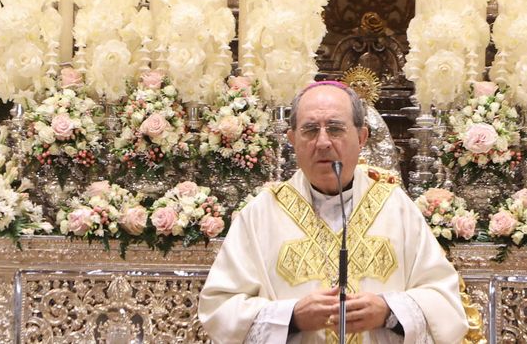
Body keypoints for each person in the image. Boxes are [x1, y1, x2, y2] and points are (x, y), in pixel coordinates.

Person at [198, 81, 467, 342]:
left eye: (336, 129)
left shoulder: (395, 207)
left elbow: (445, 301)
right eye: (310, 130)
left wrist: (390, 312)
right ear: (292, 139)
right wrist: (290, 317)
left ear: (361, 137)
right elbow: (220, 309)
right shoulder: (261, 214)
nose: (323, 142)